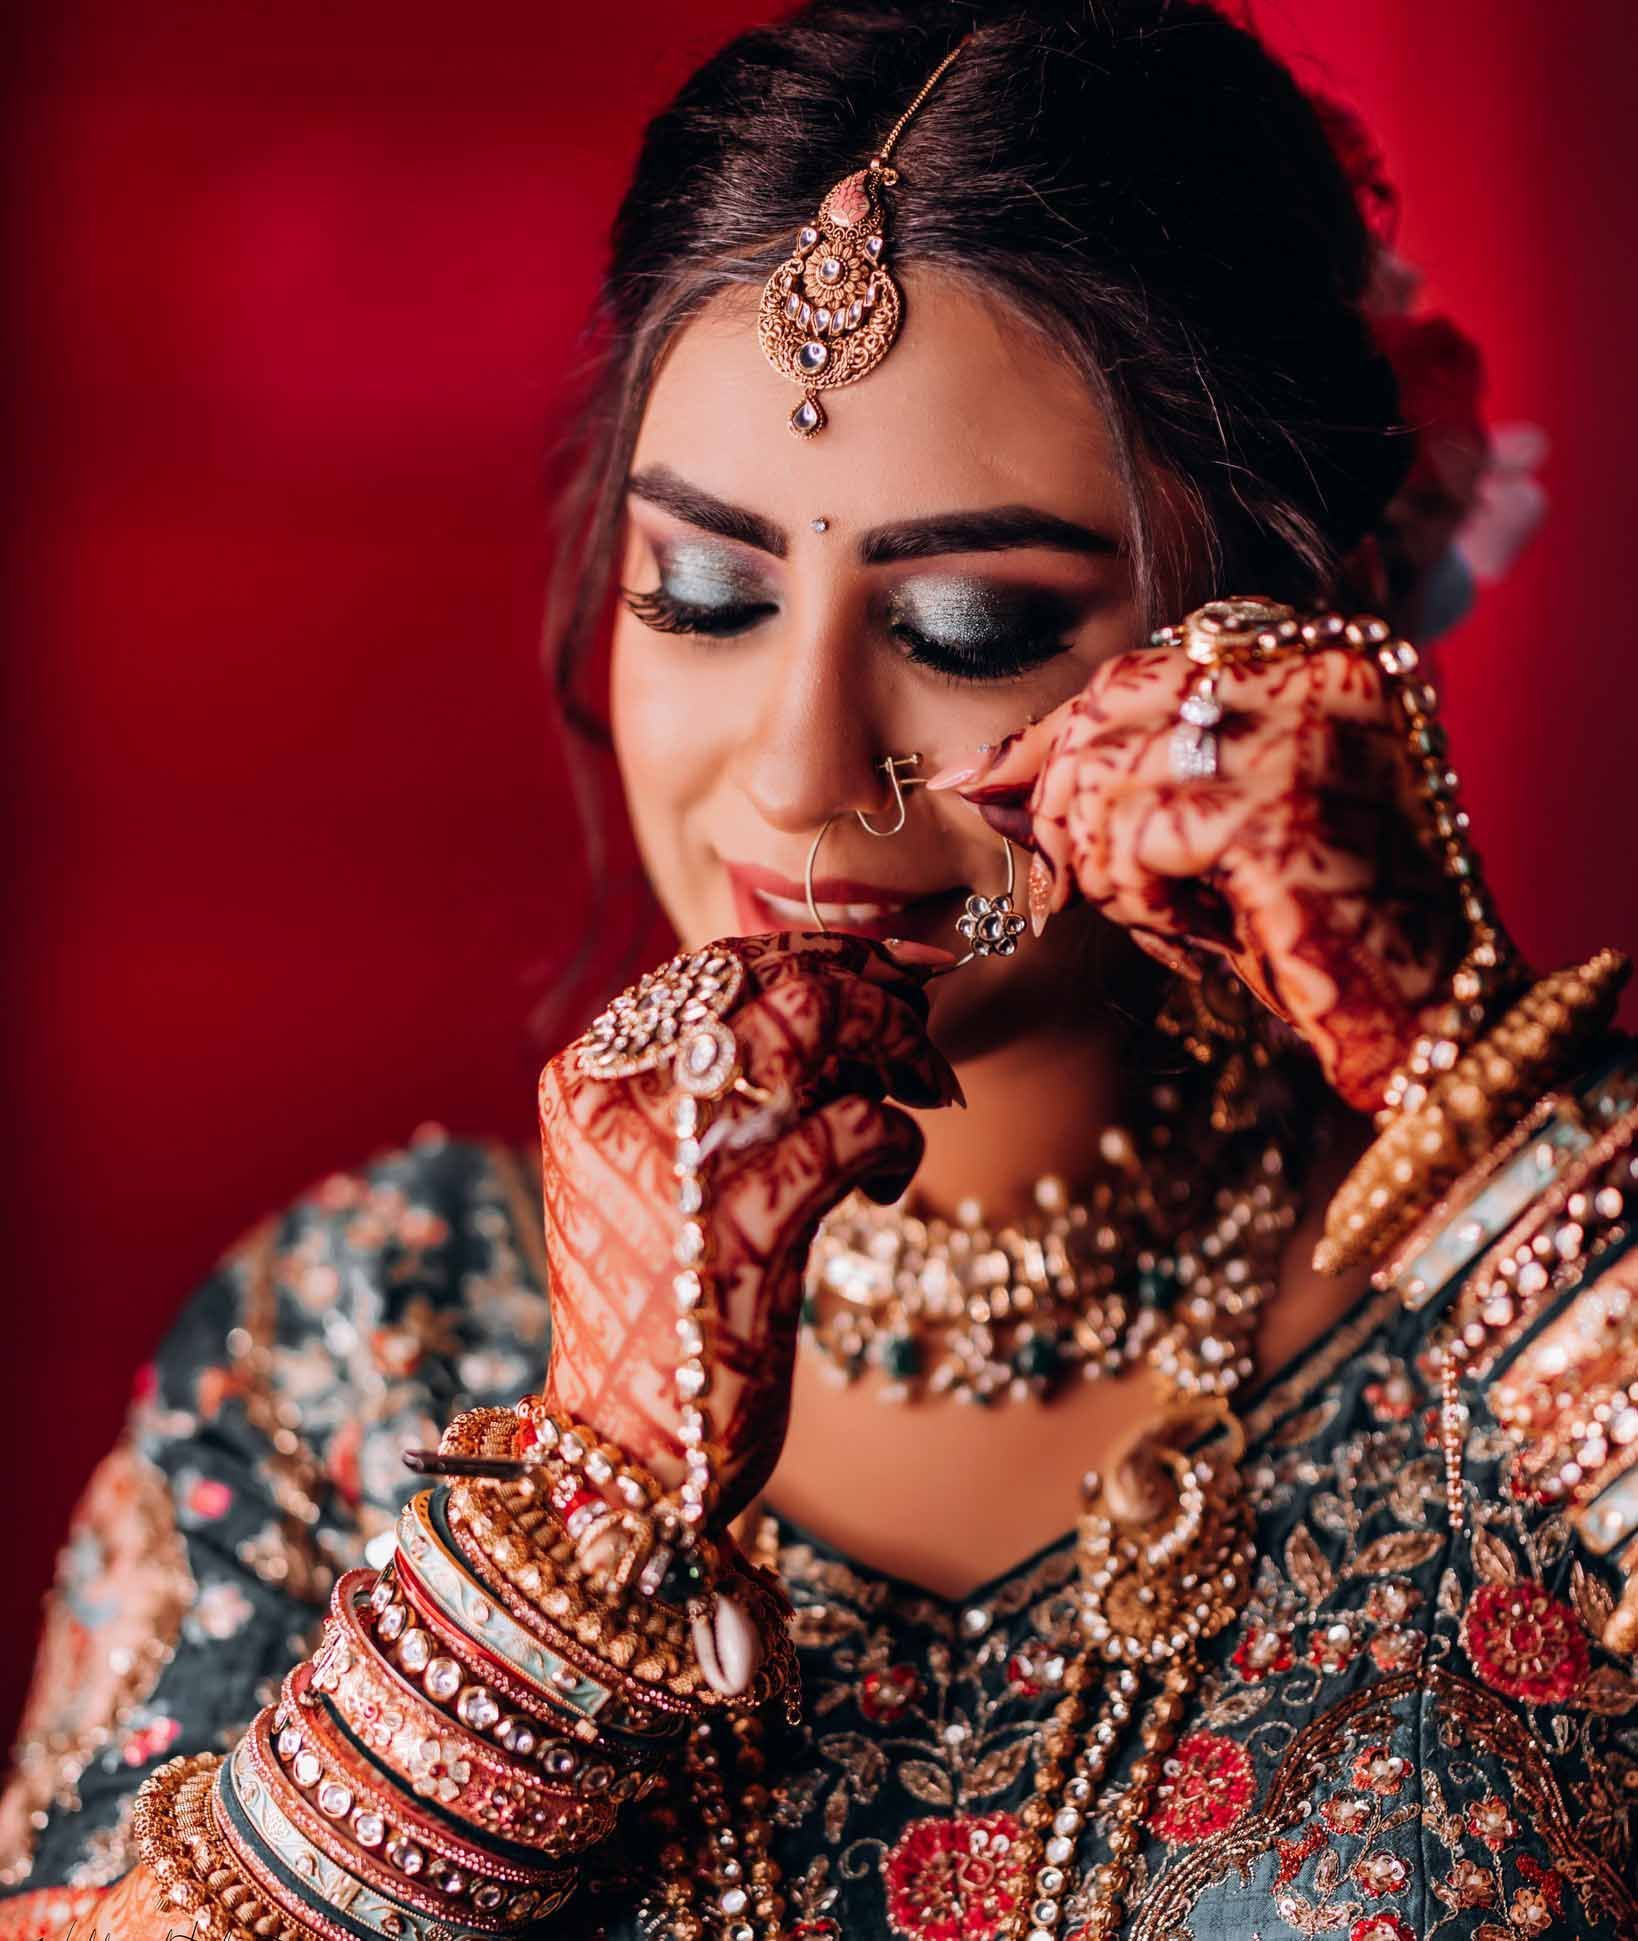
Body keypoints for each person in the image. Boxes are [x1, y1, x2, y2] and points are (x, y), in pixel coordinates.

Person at [3, 2, 1632, 1937]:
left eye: (965, 624)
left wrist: (1468, 1092)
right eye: (704, 594)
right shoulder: (356, 1343)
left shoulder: (1542, 1327)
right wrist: (579, 1527)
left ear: (1287, 617)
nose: (787, 766)